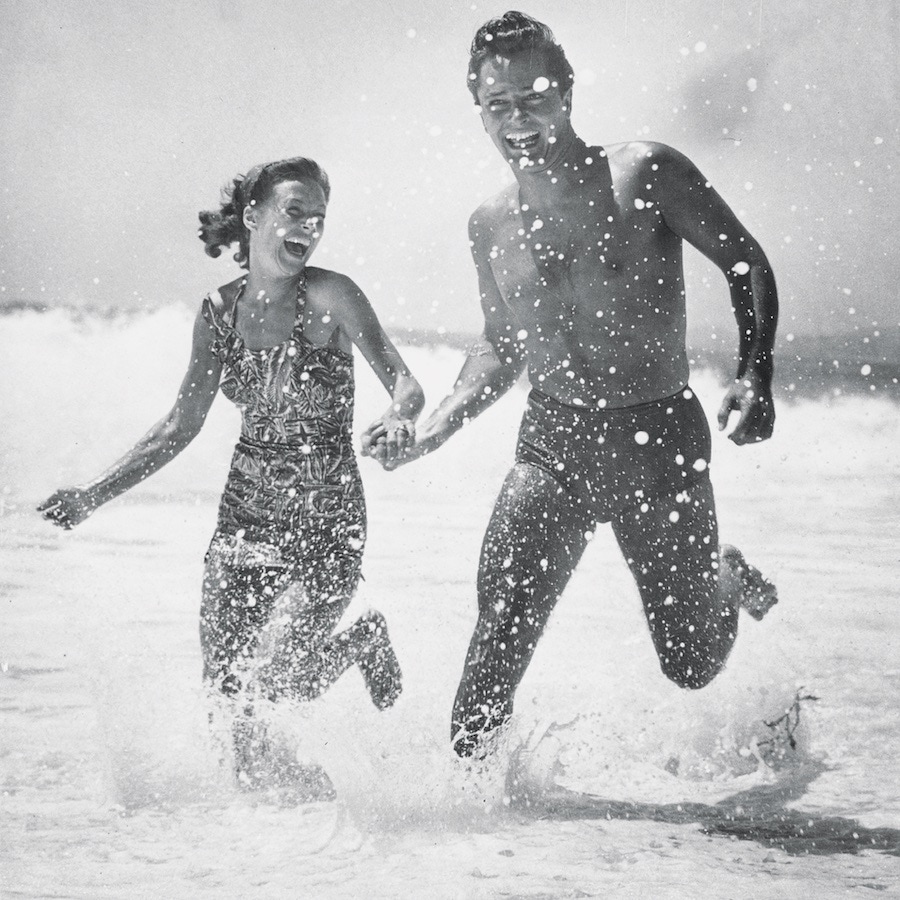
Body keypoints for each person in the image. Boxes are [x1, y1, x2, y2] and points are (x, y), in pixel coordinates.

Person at [363, 12, 779, 758]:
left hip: (657, 440)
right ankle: (474, 845)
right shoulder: (488, 223)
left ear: (567, 94)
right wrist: (435, 427)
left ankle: (725, 579)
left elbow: (743, 259)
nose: (517, 118)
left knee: (690, 664)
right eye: (498, 105)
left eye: (533, 97)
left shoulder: (644, 171)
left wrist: (756, 370)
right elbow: (499, 348)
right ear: (479, 112)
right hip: (554, 444)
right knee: (496, 642)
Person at [39, 156, 424, 787]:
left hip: (327, 525)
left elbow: (406, 384)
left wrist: (400, 418)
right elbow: (178, 426)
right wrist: (92, 495)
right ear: (254, 217)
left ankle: (362, 641)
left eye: (318, 218)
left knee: (278, 683)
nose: (309, 227)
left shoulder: (331, 297)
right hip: (244, 523)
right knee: (228, 712)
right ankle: (270, 850)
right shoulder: (217, 314)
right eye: (295, 211)